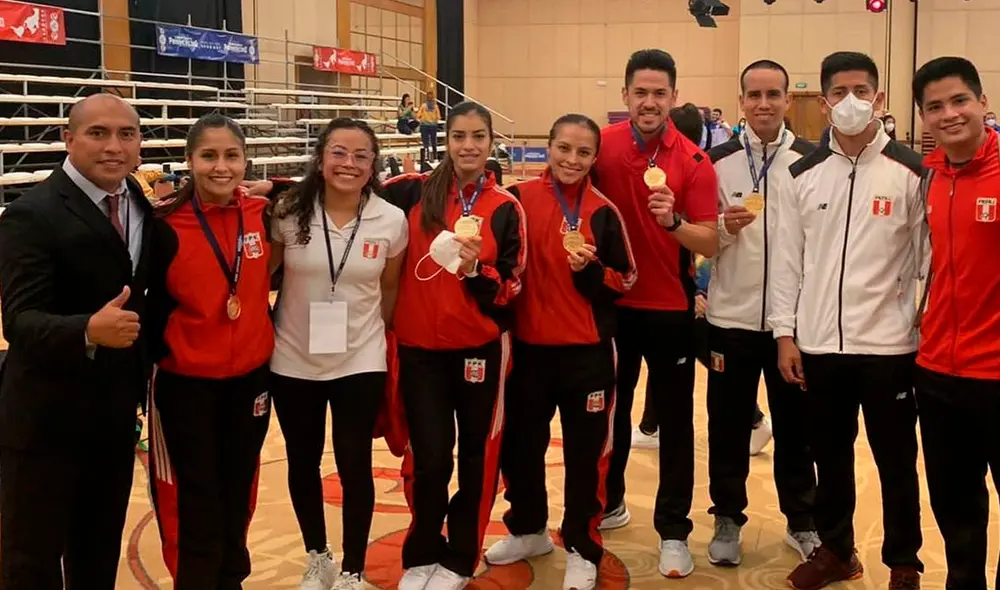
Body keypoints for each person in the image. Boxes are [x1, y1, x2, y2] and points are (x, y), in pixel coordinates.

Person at [769, 51, 925, 590]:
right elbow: (789, 260)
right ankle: (837, 551)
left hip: (890, 347)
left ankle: (904, 562)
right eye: (839, 92)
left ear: (878, 99)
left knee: (896, 462)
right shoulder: (802, 173)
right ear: (825, 102)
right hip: (819, 344)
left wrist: (918, 326)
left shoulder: (910, 171)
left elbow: (926, 261)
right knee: (829, 457)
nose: (851, 101)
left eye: (861, 90)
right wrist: (786, 334)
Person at [0, 93, 151, 589]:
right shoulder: (31, 213)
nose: (114, 146)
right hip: (45, 421)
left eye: (126, 134)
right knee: (32, 559)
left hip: (111, 418)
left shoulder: (141, 205)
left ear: (139, 144)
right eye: (98, 133)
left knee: (97, 551)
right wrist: (87, 329)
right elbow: (19, 322)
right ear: (68, 139)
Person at [483, 114, 636, 590]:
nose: (572, 160)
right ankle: (528, 529)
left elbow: (626, 278)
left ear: (594, 158)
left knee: (586, 456)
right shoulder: (518, 201)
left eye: (583, 152)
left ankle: (582, 546)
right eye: (564, 148)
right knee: (520, 449)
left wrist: (589, 273)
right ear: (548, 147)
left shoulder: (604, 210)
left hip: (587, 355)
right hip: (527, 353)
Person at [382, 101, 526, 590]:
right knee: (430, 459)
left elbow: (513, 288)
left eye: (478, 137)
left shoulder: (506, 208)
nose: (469, 146)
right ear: (446, 139)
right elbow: (346, 192)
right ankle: (423, 551)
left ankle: (462, 557)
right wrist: (270, 188)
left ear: (491, 143)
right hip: (420, 350)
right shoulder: (411, 192)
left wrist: (474, 272)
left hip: (479, 350)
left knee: (475, 460)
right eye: (460, 136)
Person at [595, 48, 720, 579]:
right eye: (640, 92)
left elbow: (711, 242)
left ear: (674, 96)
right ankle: (610, 501)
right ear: (625, 96)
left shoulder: (694, 161)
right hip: (610, 309)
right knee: (609, 416)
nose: (649, 102)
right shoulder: (600, 148)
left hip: (670, 310)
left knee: (673, 424)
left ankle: (673, 530)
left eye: (659, 93)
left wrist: (673, 224)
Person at [268, 118, 408, 590]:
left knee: (354, 465)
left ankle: (352, 569)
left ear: (374, 164)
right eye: (339, 153)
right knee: (302, 461)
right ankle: (318, 556)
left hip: (360, 358)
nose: (349, 163)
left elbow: (389, 288)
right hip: (291, 358)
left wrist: (371, 335)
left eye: (361, 155)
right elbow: (265, 274)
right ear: (321, 158)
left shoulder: (390, 219)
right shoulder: (288, 210)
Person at [145, 114, 274, 589]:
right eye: (209, 156)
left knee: (239, 490)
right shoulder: (160, 224)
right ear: (189, 161)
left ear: (245, 161)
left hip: (251, 381)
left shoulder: (262, 211)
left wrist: (272, 183)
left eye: (232, 156)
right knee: (193, 498)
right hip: (185, 383)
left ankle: (231, 580)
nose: (221, 167)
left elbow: (320, 185)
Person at [703, 59, 820, 568]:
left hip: (791, 328)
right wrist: (724, 229)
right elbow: (700, 237)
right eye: (755, 95)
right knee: (727, 428)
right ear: (742, 100)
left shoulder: (813, 161)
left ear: (788, 100)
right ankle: (727, 516)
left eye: (774, 94)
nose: (764, 104)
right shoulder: (716, 161)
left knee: (797, 430)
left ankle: (803, 521)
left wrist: (794, 322)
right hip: (729, 322)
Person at [632, 103, 772, 453]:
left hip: (693, 288)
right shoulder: (684, 170)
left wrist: (697, 289)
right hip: (677, 289)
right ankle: (651, 426)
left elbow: (706, 243)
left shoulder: (697, 171)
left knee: (692, 349)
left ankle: (753, 418)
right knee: (665, 359)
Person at [911, 56, 1000, 590]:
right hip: (939, 371)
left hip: (998, 375)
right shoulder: (930, 176)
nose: (949, 114)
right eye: (935, 106)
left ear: (983, 102)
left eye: (959, 100)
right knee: (954, 501)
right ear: (923, 116)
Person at [416, 91, 442, 163]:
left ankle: (428, 158)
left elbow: (418, 115)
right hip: (431, 125)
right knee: (432, 142)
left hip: (425, 125)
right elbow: (439, 117)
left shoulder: (424, 106)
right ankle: (434, 157)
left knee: (426, 143)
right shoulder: (435, 106)